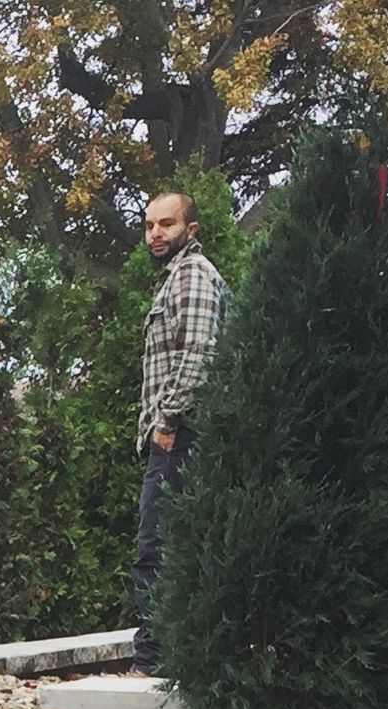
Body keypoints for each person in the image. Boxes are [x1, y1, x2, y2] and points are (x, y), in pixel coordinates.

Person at [133, 190, 229, 674]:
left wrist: (167, 422)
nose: (155, 233)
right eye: (149, 225)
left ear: (190, 230)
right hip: (178, 433)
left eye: (166, 224)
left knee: (156, 549)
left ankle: (153, 661)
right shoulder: (176, 277)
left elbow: (199, 355)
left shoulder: (192, 276)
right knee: (169, 547)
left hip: (182, 433)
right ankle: (168, 658)